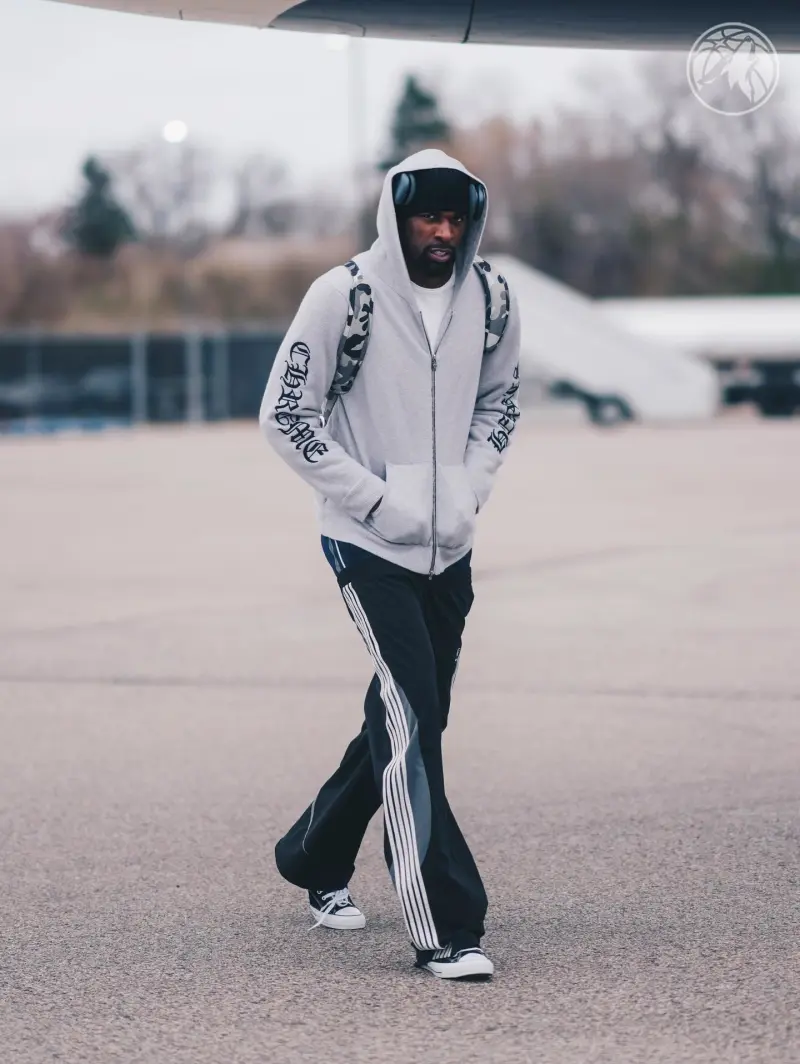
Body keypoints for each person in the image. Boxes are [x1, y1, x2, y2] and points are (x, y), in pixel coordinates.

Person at [259, 148, 521, 980]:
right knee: (412, 714)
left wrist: (470, 489)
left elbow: (501, 399)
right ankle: (446, 924)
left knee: (413, 713)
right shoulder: (346, 295)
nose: (442, 233)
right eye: (427, 218)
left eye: (454, 219)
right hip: (367, 541)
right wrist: (373, 500)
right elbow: (285, 416)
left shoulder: (492, 298)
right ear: (398, 215)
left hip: (452, 545)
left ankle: (313, 852)